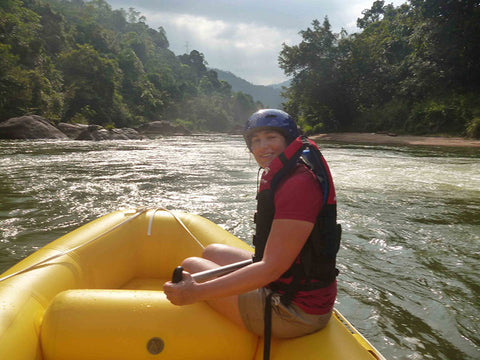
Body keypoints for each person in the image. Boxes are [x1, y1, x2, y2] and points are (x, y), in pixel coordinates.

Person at [163, 109, 341, 344]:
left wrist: (195, 292)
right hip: (292, 284)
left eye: (271, 137)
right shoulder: (292, 173)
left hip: (296, 311)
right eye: (255, 140)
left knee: (192, 265)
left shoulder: (298, 184)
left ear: (288, 140)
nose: (262, 147)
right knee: (212, 251)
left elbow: (271, 269)